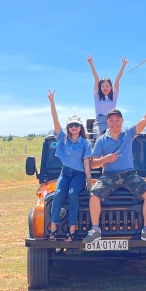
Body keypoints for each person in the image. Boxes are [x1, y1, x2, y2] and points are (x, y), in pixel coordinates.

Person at [84, 90, 146, 246]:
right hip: (109, 175)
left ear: (122, 121)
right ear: (107, 122)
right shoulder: (101, 140)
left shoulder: (128, 134)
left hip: (129, 174)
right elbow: (93, 163)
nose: (114, 123)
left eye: (117, 120)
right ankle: (95, 230)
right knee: (94, 195)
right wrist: (106, 159)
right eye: (111, 120)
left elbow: (145, 119)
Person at [45, 90, 93, 242]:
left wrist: (89, 180)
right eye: (71, 125)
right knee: (58, 193)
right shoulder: (62, 139)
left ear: (80, 127)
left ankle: (72, 229)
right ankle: (53, 227)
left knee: (72, 193)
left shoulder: (85, 143)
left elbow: (86, 163)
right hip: (65, 173)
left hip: (79, 174)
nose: (74, 127)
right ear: (68, 127)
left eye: (76, 125)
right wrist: (52, 102)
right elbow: (55, 120)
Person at [87, 54, 128, 135]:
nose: (105, 88)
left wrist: (123, 65)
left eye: (107, 86)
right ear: (100, 87)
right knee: (100, 138)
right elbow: (96, 78)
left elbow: (117, 80)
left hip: (111, 122)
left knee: (113, 137)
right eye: (103, 86)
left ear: (111, 87)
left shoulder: (114, 96)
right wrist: (91, 63)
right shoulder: (97, 96)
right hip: (99, 123)